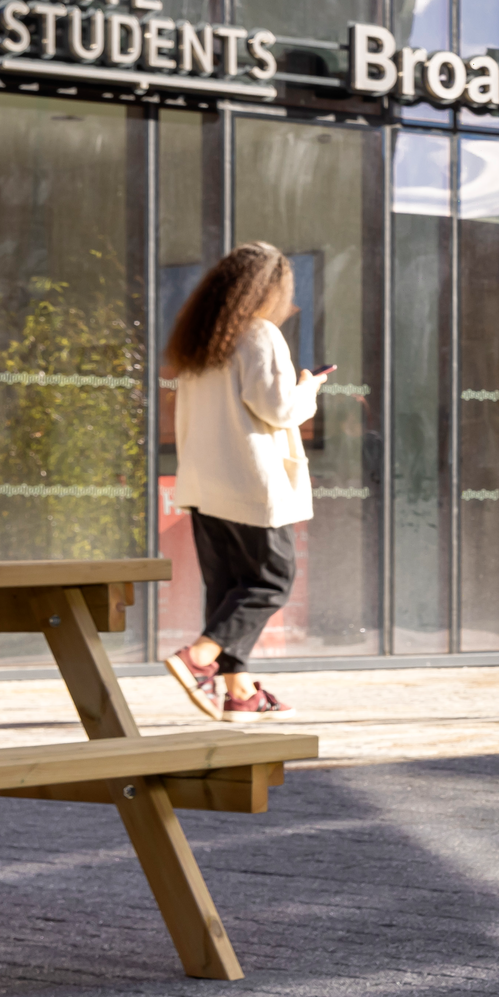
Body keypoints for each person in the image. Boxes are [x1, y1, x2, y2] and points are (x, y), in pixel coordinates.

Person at [161, 242, 327, 723]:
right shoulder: (259, 335)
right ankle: (198, 658)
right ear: (268, 291)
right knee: (272, 581)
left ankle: (239, 693)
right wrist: (309, 389)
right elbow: (278, 409)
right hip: (250, 484)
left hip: (203, 485)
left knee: (229, 588)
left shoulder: (200, 340)